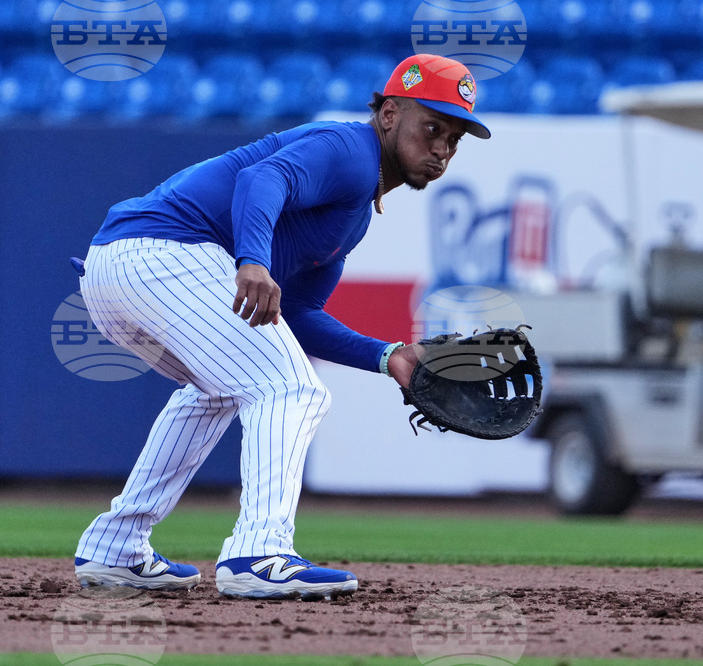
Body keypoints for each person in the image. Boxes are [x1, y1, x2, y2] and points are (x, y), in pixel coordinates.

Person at [72, 54, 490, 600]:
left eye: (454, 139)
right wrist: (253, 260)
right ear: (389, 114)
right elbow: (262, 178)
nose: (442, 148)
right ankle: (259, 552)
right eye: (432, 126)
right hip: (160, 252)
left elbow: (294, 316)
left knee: (220, 389)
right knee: (292, 388)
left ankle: (116, 547)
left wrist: (389, 357)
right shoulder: (350, 152)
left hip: (120, 270)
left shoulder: (354, 214)